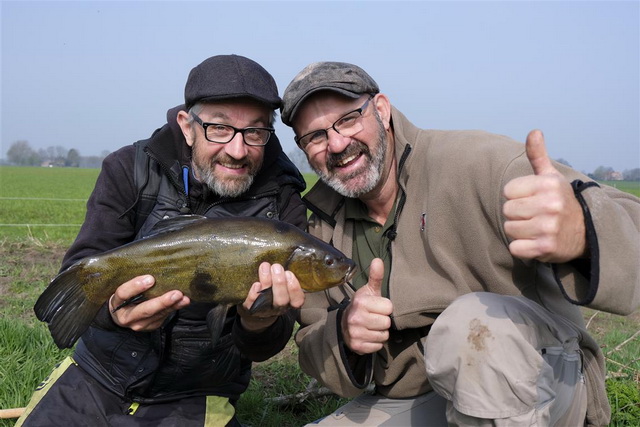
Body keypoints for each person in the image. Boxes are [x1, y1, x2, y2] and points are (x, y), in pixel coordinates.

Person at [279, 61, 640, 426]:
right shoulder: (317, 232)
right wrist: (343, 333)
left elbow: (632, 220)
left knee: (468, 328)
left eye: (348, 119)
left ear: (382, 110)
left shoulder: (477, 163)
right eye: (316, 136)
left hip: (543, 385)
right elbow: (312, 342)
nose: (337, 144)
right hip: (424, 399)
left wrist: (582, 233)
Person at [17, 54, 307, 427]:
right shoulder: (129, 168)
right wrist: (114, 314)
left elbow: (267, 344)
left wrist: (259, 323)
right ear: (187, 126)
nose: (237, 150)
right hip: (99, 375)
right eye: (219, 128)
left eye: (255, 132)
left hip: (196, 391)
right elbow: (84, 266)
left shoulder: (282, 200)